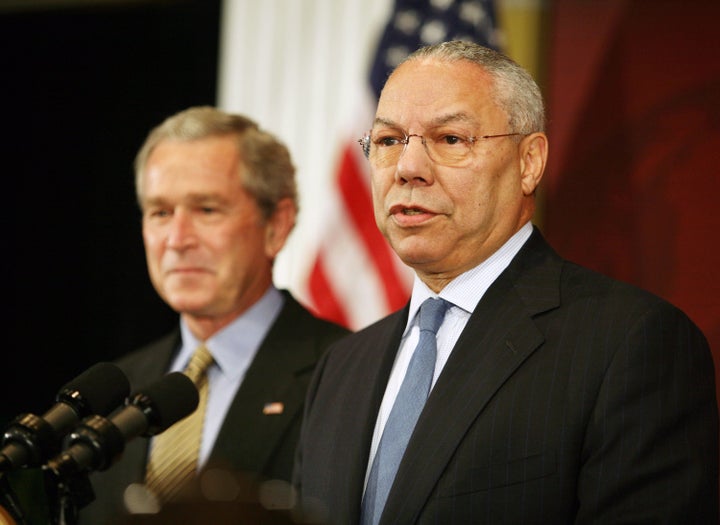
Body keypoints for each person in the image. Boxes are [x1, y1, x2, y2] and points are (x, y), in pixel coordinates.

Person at [293, 41, 718, 524]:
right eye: (389, 141)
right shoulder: (341, 367)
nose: (408, 169)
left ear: (529, 162)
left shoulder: (631, 344)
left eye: (451, 139)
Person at [78, 106, 350, 524]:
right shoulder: (116, 390)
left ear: (276, 226)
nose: (177, 239)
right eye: (160, 212)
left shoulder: (346, 373)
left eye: (206, 209)